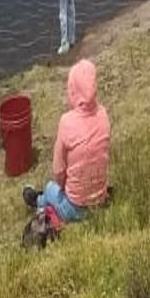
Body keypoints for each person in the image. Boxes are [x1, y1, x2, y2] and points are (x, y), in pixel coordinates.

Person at [23, 59, 110, 223]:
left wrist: (63, 188)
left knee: (50, 188)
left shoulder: (66, 122)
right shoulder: (103, 114)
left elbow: (58, 171)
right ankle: (46, 201)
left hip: (75, 208)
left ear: (73, 91)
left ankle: (38, 202)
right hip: (100, 199)